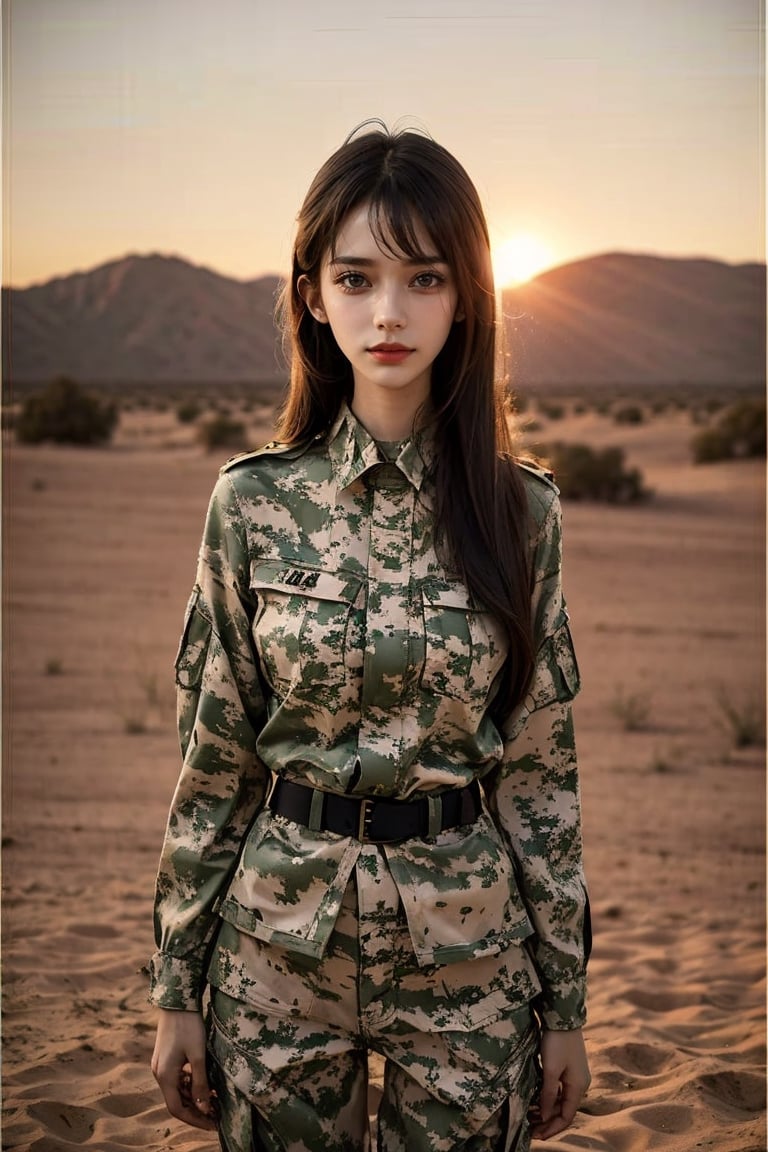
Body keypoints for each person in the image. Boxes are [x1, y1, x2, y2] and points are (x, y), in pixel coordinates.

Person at [150, 122, 591, 1152]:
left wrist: (566, 1005)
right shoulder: (253, 507)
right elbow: (213, 760)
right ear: (312, 293)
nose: (388, 312)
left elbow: (540, 777)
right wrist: (177, 983)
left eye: (424, 278)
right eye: (355, 277)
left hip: (472, 961)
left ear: (467, 293)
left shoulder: (520, 515)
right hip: (276, 956)